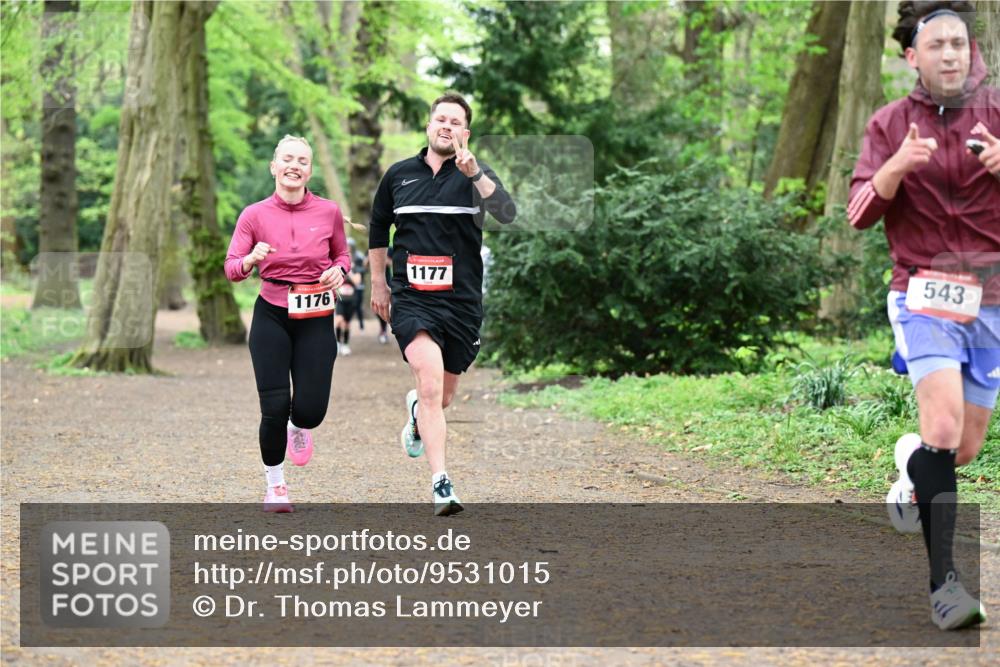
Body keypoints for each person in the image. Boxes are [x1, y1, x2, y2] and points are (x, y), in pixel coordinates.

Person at [848, 1, 998, 630]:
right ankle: (947, 589)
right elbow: (857, 213)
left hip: (992, 298)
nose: (949, 55)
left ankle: (912, 462)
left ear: (972, 50)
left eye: (958, 44)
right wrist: (894, 170)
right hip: (923, 291)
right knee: (942, 428)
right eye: (935, 45)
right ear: (912, 56)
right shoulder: (890, 125)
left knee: (961, 448)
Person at [368, 93, 517, 515]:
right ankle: (442, 483)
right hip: (413, 299)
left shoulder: (476, 174)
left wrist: (477, 177)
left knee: (442, 397)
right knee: (429, 382)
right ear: (429, 126)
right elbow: (379, 227)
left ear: (465, 133)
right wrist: (379, 283)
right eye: (440, 119)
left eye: (455, 121)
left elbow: (507, 212)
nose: (446, 126)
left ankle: (417, 414)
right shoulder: (398, 175)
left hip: (462, 304)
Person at [225, 134, 350, 513]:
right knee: (274, 406)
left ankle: (299, 428)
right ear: (274, 167)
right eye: (288, 159)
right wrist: (250, 259)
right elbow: (232, 268)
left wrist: (338, 271)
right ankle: (275, 486)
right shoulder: (254, 214)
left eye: (302, 161)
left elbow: (341, 254)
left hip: (315, 315)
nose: (295, 166)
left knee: (310, 410)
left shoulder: (328, 211)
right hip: (272, 314)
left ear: (310, 170)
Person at [334, 239, 365, 356]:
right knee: (338, 321)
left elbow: (358, 281)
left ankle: (345, 344)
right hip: (341, 299)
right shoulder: (338, 266)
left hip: (352, 299)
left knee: (346, 324)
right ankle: (337, 343)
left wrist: (349, 271)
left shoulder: (356, 267)